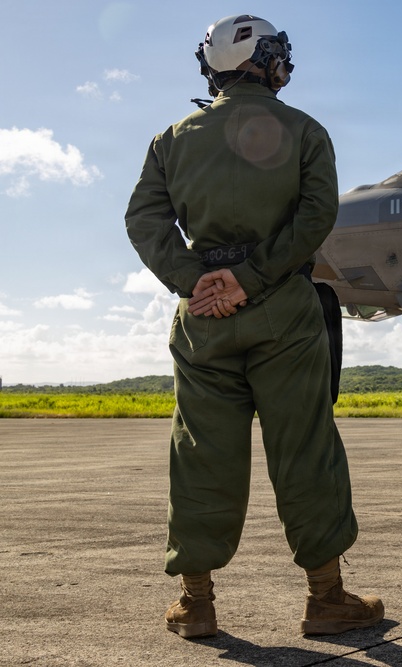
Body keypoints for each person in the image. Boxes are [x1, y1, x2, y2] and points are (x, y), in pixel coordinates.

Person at [124, 14, 383, 639]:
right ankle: (326, 599)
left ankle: (196, 604)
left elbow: (144, 221)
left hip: (204, 319)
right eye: (277, 56)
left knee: (200, 455)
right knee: (305, 450)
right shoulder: (305, 131)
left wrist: (198, 281)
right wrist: (254, 277)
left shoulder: (172, 138)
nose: (283, 66)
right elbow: (318, 214)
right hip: (283, 314)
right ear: (260, 60)